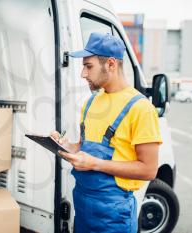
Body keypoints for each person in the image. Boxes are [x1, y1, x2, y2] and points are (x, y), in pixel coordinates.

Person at [51, 32, 162, 233]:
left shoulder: (141, 108)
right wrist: (67, 147)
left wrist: (95, 164)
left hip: (114, 214)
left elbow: (149, 170)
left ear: (111, 64)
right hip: (82, 206)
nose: (83, 74)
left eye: (88, 66)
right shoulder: (91, 102)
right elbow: (84, 148)